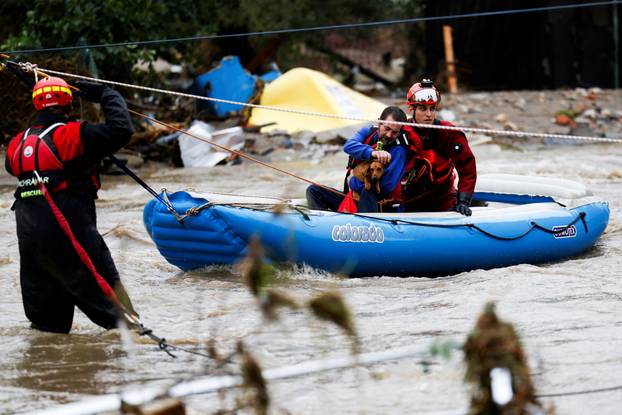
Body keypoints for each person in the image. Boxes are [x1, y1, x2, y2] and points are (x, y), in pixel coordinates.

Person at [5, 76, 137, 333]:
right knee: (126, 325)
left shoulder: (16, 144)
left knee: (48, 330)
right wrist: (106, 93)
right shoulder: (74, 134)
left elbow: (14, 168)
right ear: (68, 101)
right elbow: (122, 130)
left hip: (32, 244)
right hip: (71, 238)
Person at [306, 106, 409, 213]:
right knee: (313, 191)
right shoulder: (369, 131)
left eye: (394, 132)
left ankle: (364, 225)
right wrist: (371, 152)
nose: (389, 135)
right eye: (387, 129)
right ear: (379, 123)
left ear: (399, 132)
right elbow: (348, 146)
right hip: (354, 197)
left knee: (369, 190)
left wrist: (352, 182)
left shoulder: (399, 150)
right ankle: (322, 225)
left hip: (379, 205)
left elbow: (385, 187)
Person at [401, 79, 477, 215]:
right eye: (423, 109)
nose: (429, 114)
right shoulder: (399, 130)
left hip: (443, 197)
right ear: (411, 109)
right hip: (409, 198)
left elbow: (467, 168)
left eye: (432, 108)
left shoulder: (449, 133)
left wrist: (464, 201)